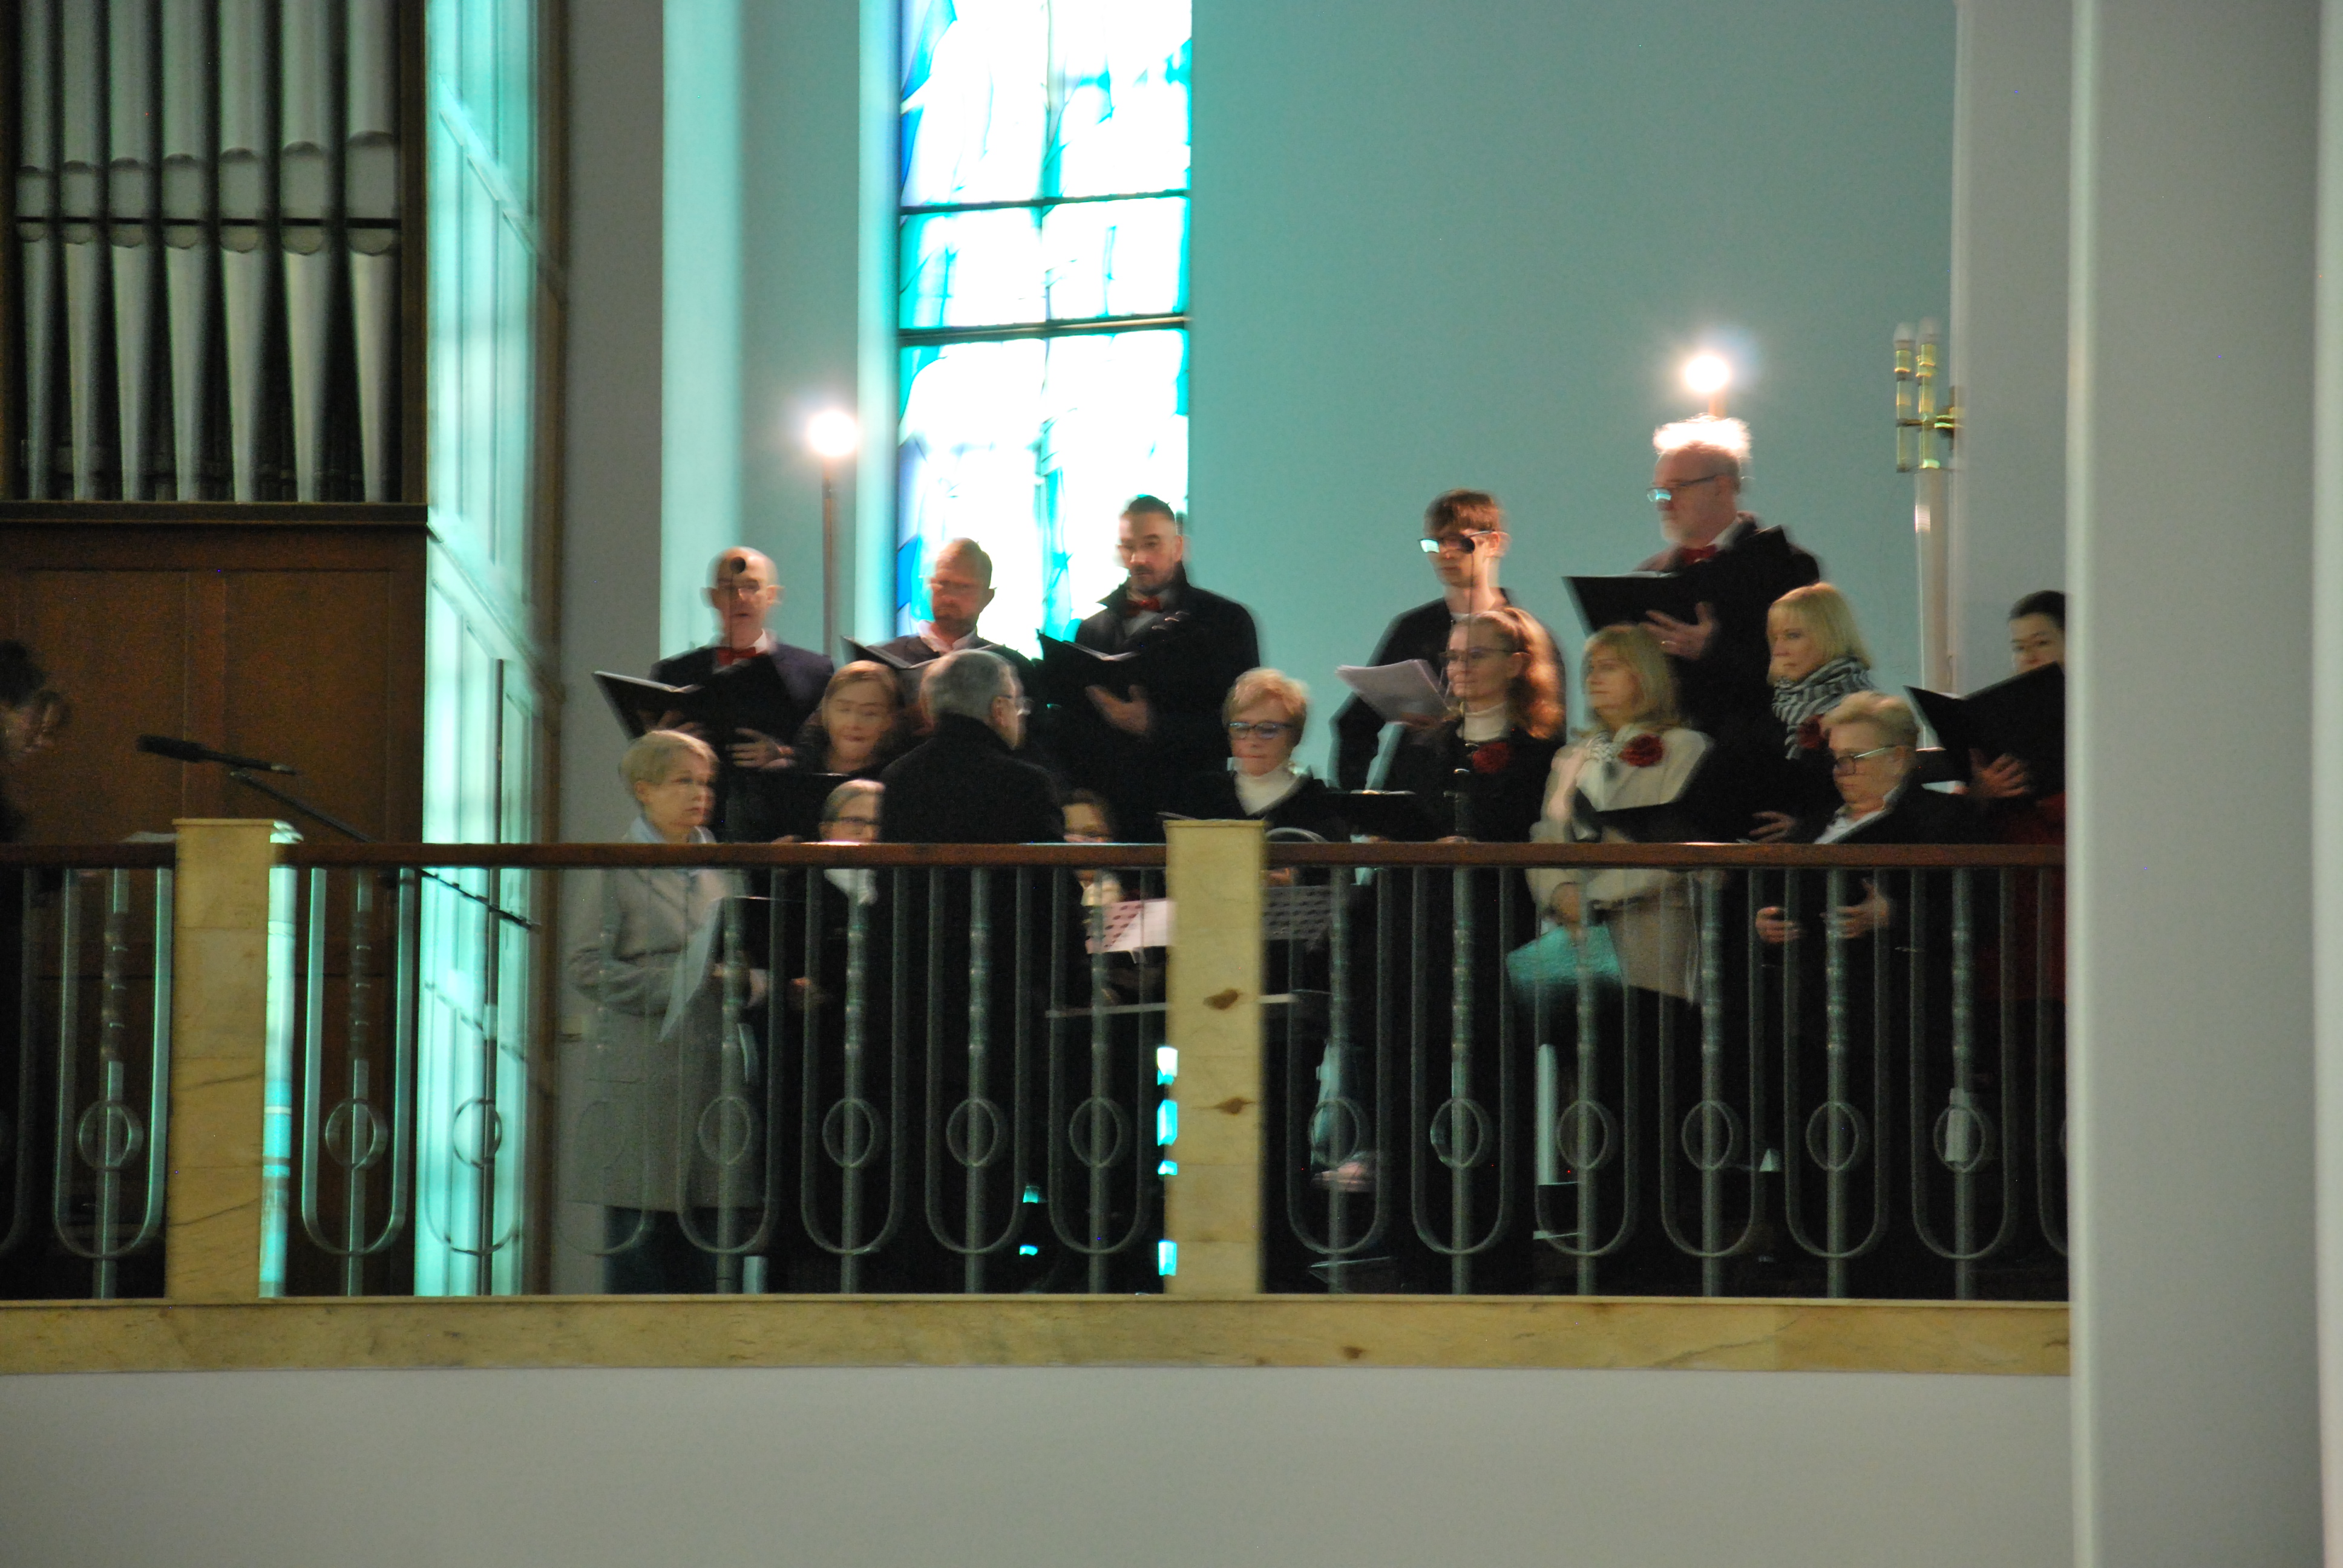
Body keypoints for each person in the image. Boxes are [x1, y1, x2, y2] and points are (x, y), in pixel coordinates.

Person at [564, 730, 761, 1294]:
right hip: (644, 1060)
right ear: (643, 790)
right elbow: (584, 966)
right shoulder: (617, 867)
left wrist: (749, 982)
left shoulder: (725, 867)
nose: (700, 795)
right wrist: (678, 983)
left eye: (706, 783)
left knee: (713, 1236)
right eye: (683, 782)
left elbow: (749, 956)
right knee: (641, 1235)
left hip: (716, 1061)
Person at [1050, 496, 1260, 837]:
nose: (1139, 559)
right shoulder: (1090, 630)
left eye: (1152, 544)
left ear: (1178, 548)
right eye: (1129, 546)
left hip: (1191, 812)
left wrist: (1153, 726)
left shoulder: (1225, 622)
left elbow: (1243, 728)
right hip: (1107, 817)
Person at [1525, 624, 1712, 1001]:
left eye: (1609, 667)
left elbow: (1675, 844)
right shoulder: (1570, 756)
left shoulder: (1684, 746)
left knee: (1649, 1031)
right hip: (1576, 936)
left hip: (1652, 932)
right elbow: (1546, 836)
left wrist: (1591, 898)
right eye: (1591, 668)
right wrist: (1559, 892)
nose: (1594, 678)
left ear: (1644, 675)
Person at [1331, 491, 1549, 790]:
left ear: (1494, 543)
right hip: (1413, 794)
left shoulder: (1525, 635)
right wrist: (1354, 801)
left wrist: (1451, 725)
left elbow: (1546, 729)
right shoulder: (1414, 629)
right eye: (1434, 543)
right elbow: (1356, 722)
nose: (1445, 554)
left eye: (1460, 542)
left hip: (1498, 794)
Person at [1636, 417, 1822, 738]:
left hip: (1758, 749)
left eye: (1676, 488)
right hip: (1668, 752)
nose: (1665, 504)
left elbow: (1808, 670)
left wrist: (1714, 650)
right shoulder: (1648, 574)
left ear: (1721, 487)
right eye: (1659, 493)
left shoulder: (1786, 566)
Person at [1381, 605, 1566, 843]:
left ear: (1515, 664)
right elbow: (1390, 824)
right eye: (1453, 657)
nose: (1461, 667)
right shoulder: (1420, 743)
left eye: (1477, 655)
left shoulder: (1543, 752)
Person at [650, 547, 834, 776]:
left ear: (771, 596)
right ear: (712, 597)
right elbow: (648, 764)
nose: (740, 597)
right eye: (729, 588)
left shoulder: (815, 672)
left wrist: (783, 754)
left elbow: (829, 754)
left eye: (752, 587)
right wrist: (660, 744)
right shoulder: (673, 674)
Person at [1742, 581, 1880, 839]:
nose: (1779, 650)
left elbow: (1878, 800)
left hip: (1834, 854)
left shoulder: (1867, 713)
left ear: (1831, 636)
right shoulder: (1769, 709)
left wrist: (1807, 829)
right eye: (1776, 638)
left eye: (1793, 636)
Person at [880, 650, 1061, 844]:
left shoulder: (898, 775)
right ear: (999, 709)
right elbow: (1048, 862)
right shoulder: (1027, 783)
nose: (1021, 714)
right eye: (1018, 703)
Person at [1171, 668, 1351, 838]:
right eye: (1241, 728)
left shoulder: (1322, 805)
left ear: (1295, 736)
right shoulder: (1201, 796)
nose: (1252, 741)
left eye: (1268, 729)